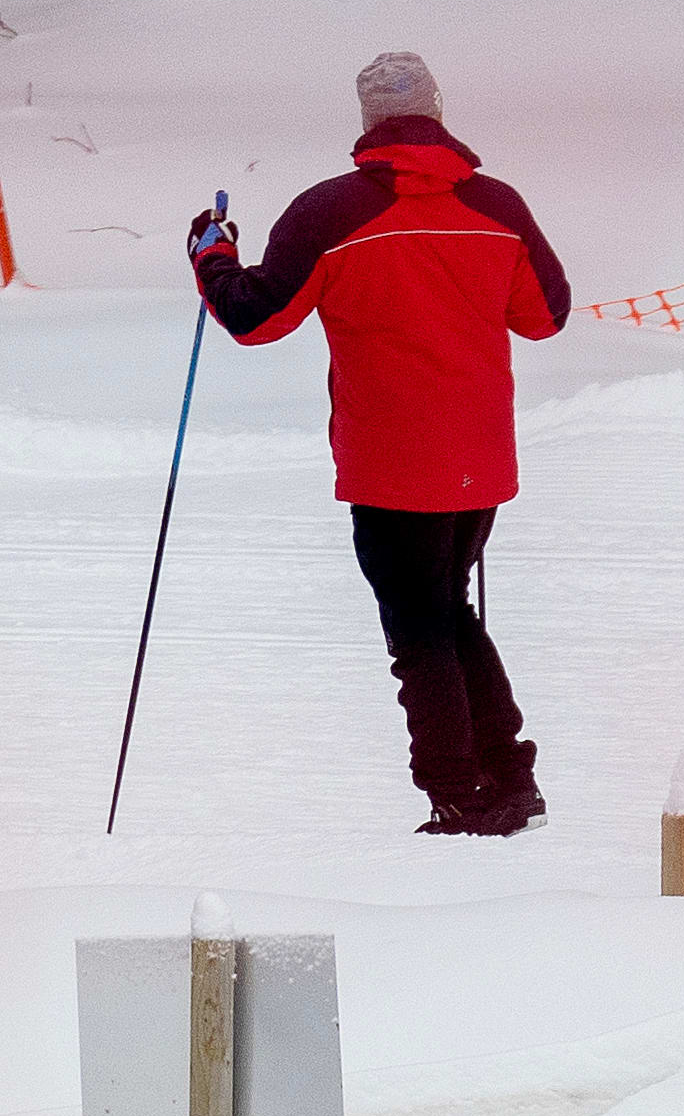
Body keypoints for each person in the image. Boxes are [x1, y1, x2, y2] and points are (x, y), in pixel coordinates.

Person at [194, 54, 580, 838]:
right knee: (448, 614)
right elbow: (545, 316)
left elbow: (256, 320)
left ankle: (460, 793)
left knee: (422, 629)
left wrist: (212, 258)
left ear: (369, 122)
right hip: (478, 464)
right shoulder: (497, 205)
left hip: (391, 463)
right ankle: (505, 774)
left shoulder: (329, 212)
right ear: (439, 112)